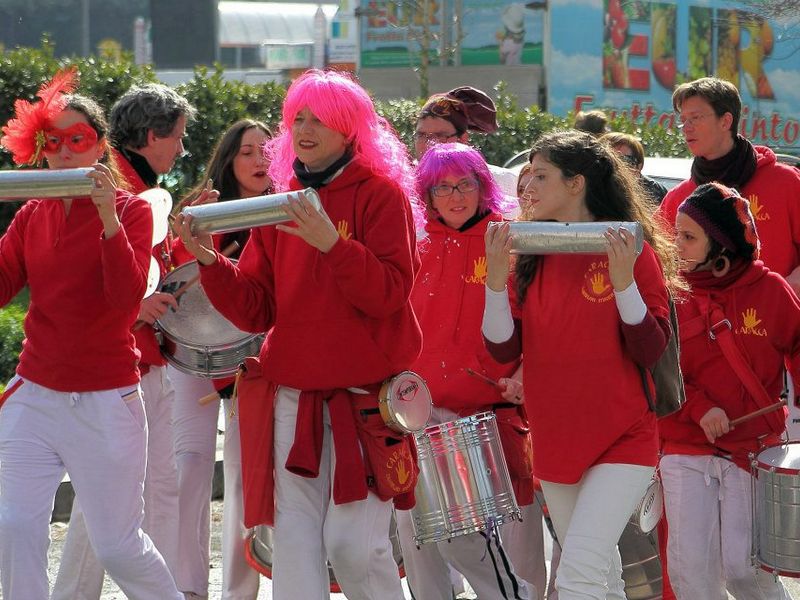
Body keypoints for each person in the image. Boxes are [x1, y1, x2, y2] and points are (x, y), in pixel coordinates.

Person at [175, 69, 424, 600]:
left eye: (320, 119)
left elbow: (388, 294)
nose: (304, 129)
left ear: (350, 130)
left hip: (366, 402)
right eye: (298, 118)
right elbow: (258, 308)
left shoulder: (382, 197)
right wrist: (210, 262)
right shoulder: (283, 201)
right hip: (293, 396)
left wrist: (332, 246)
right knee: (293, 546)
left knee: (355, 547)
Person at [0, 70, 182, 599]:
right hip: (35, 393)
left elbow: (126, 300)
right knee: (12, 526)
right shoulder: (32, 213)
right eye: (50, 141)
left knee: (117, 546)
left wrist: (106, 215)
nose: (62, 151)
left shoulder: (131, 210)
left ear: (100, 145)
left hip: (107, 397)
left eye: (76, 139)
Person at [483, 129, 680, 599]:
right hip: (556, 438)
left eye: (541, 176)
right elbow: (502, 351)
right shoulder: (530, 252)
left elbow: (651, 349)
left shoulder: (631, 248)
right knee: (601, 578)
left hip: (623, 435)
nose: (526, 187)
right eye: (526, 176)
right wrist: (493, 281)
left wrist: (623, 281)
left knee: (577, 577)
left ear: (577, 184)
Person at [54, 82, 196, 599]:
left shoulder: (131, 186)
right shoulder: (122, 191)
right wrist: (138, 305)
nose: (182, 149)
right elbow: (84, 282)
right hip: (123, 364)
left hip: (129, 361)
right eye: (177, 137)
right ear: (152, 135)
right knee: (139, 494)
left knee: (123, 497)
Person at [396, 142, 538, 600]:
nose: (456, 196)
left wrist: (522, 375)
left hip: (477, 419)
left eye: (466, 184)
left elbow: (536, 324)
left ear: (483, 188)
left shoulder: (510, 239)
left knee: (469, 543)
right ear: (427, 193)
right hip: (411, 414)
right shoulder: (411, 240)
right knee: (418, 542)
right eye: (443, 187)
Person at [659, 182, 800, 599]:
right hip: (685, 444)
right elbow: (661, 367)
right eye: (676, 234)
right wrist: (700, 409)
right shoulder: (671, 292)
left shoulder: (771, 289)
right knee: (690, 575)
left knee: (745, 570)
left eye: (688, 236)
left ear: (720, 243)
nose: (676, 245)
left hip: (752, 448)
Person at [170, 119, 272, 600]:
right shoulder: (204, 212)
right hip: (207, 362)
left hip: (271, 361)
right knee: (208, 470)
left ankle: (261, 587)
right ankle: (209, 589)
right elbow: (175, 285)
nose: (259, 160)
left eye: (266, 150)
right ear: (229, 160)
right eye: (248, 151)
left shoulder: (288, 209)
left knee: (259, 474)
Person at [657, 77, 800, 294]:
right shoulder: (678, 198)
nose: (685, 128)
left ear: (726, 121)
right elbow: (657, 265)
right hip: (703, 326)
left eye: (695, 118)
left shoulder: (785, 182)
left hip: (773, 323)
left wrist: (787, 291)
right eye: (683, 120)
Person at [601, 131, 668, 204]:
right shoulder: (590, 191)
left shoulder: (655, 192)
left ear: (638, 167)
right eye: (607, 159)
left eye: (625, 160)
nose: (616, 166)